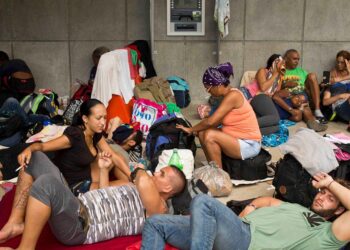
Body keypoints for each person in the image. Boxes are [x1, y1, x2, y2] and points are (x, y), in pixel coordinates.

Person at [0, 150, 186, 249]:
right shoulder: (135, 186)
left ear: (168, 188)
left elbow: (143, 179)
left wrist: (137, 169)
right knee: (35, 158)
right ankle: (15, 223)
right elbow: (103, 194)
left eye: (161, 174)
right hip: (76, 205)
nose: (155, 173)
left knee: (46, 183)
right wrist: (104, 169)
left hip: (81, 226)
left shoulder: (159, 209)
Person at [141, 172, 350, 250]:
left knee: (203, 202)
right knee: (155, 222)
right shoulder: (298, 209)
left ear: (340, 209)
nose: (321, 197)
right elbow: (267, 201)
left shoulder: (329, 234)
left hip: (246, 242)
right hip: (235, 229)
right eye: (322, 192)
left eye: (330, 198)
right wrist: (249, 208)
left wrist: (330, 183)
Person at [17, 98, 131, 195]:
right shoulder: (75, 135)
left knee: (118, 161)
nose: (103, 122)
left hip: (87, 175)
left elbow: (114, 156)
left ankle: (132, 180)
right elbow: (43, 146)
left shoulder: (96, 133)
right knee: (127, 186)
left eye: (105, 118)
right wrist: (29, 149)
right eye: (98, 118)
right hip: (73, 186)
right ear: (85, 119)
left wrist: (133, 176)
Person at [177, 62, 261, 168]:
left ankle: (219, 176)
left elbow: (210, 121)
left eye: (208, 88)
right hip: (237, 138)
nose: (208, 92)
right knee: (203, 132)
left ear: (218, 85)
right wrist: (196, 131)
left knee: (209, 135)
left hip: (249, 144)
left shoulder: (233, 96)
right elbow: (214, 122)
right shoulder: (226, 96)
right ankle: (213, 168)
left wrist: (191, 129)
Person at [274, 49, 328, 131]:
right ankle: (313, 122)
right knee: (303, 105)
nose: (297, 61)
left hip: (302, 94)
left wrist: (320, 85)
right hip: (288, 96)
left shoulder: (302, 71)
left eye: (298, 59)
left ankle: (317, 110)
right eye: (294, 59)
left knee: (312, 77)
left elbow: (310, 85)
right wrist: (285, 84)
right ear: (286, 59)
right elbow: (274, 89)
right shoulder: (281, 71)